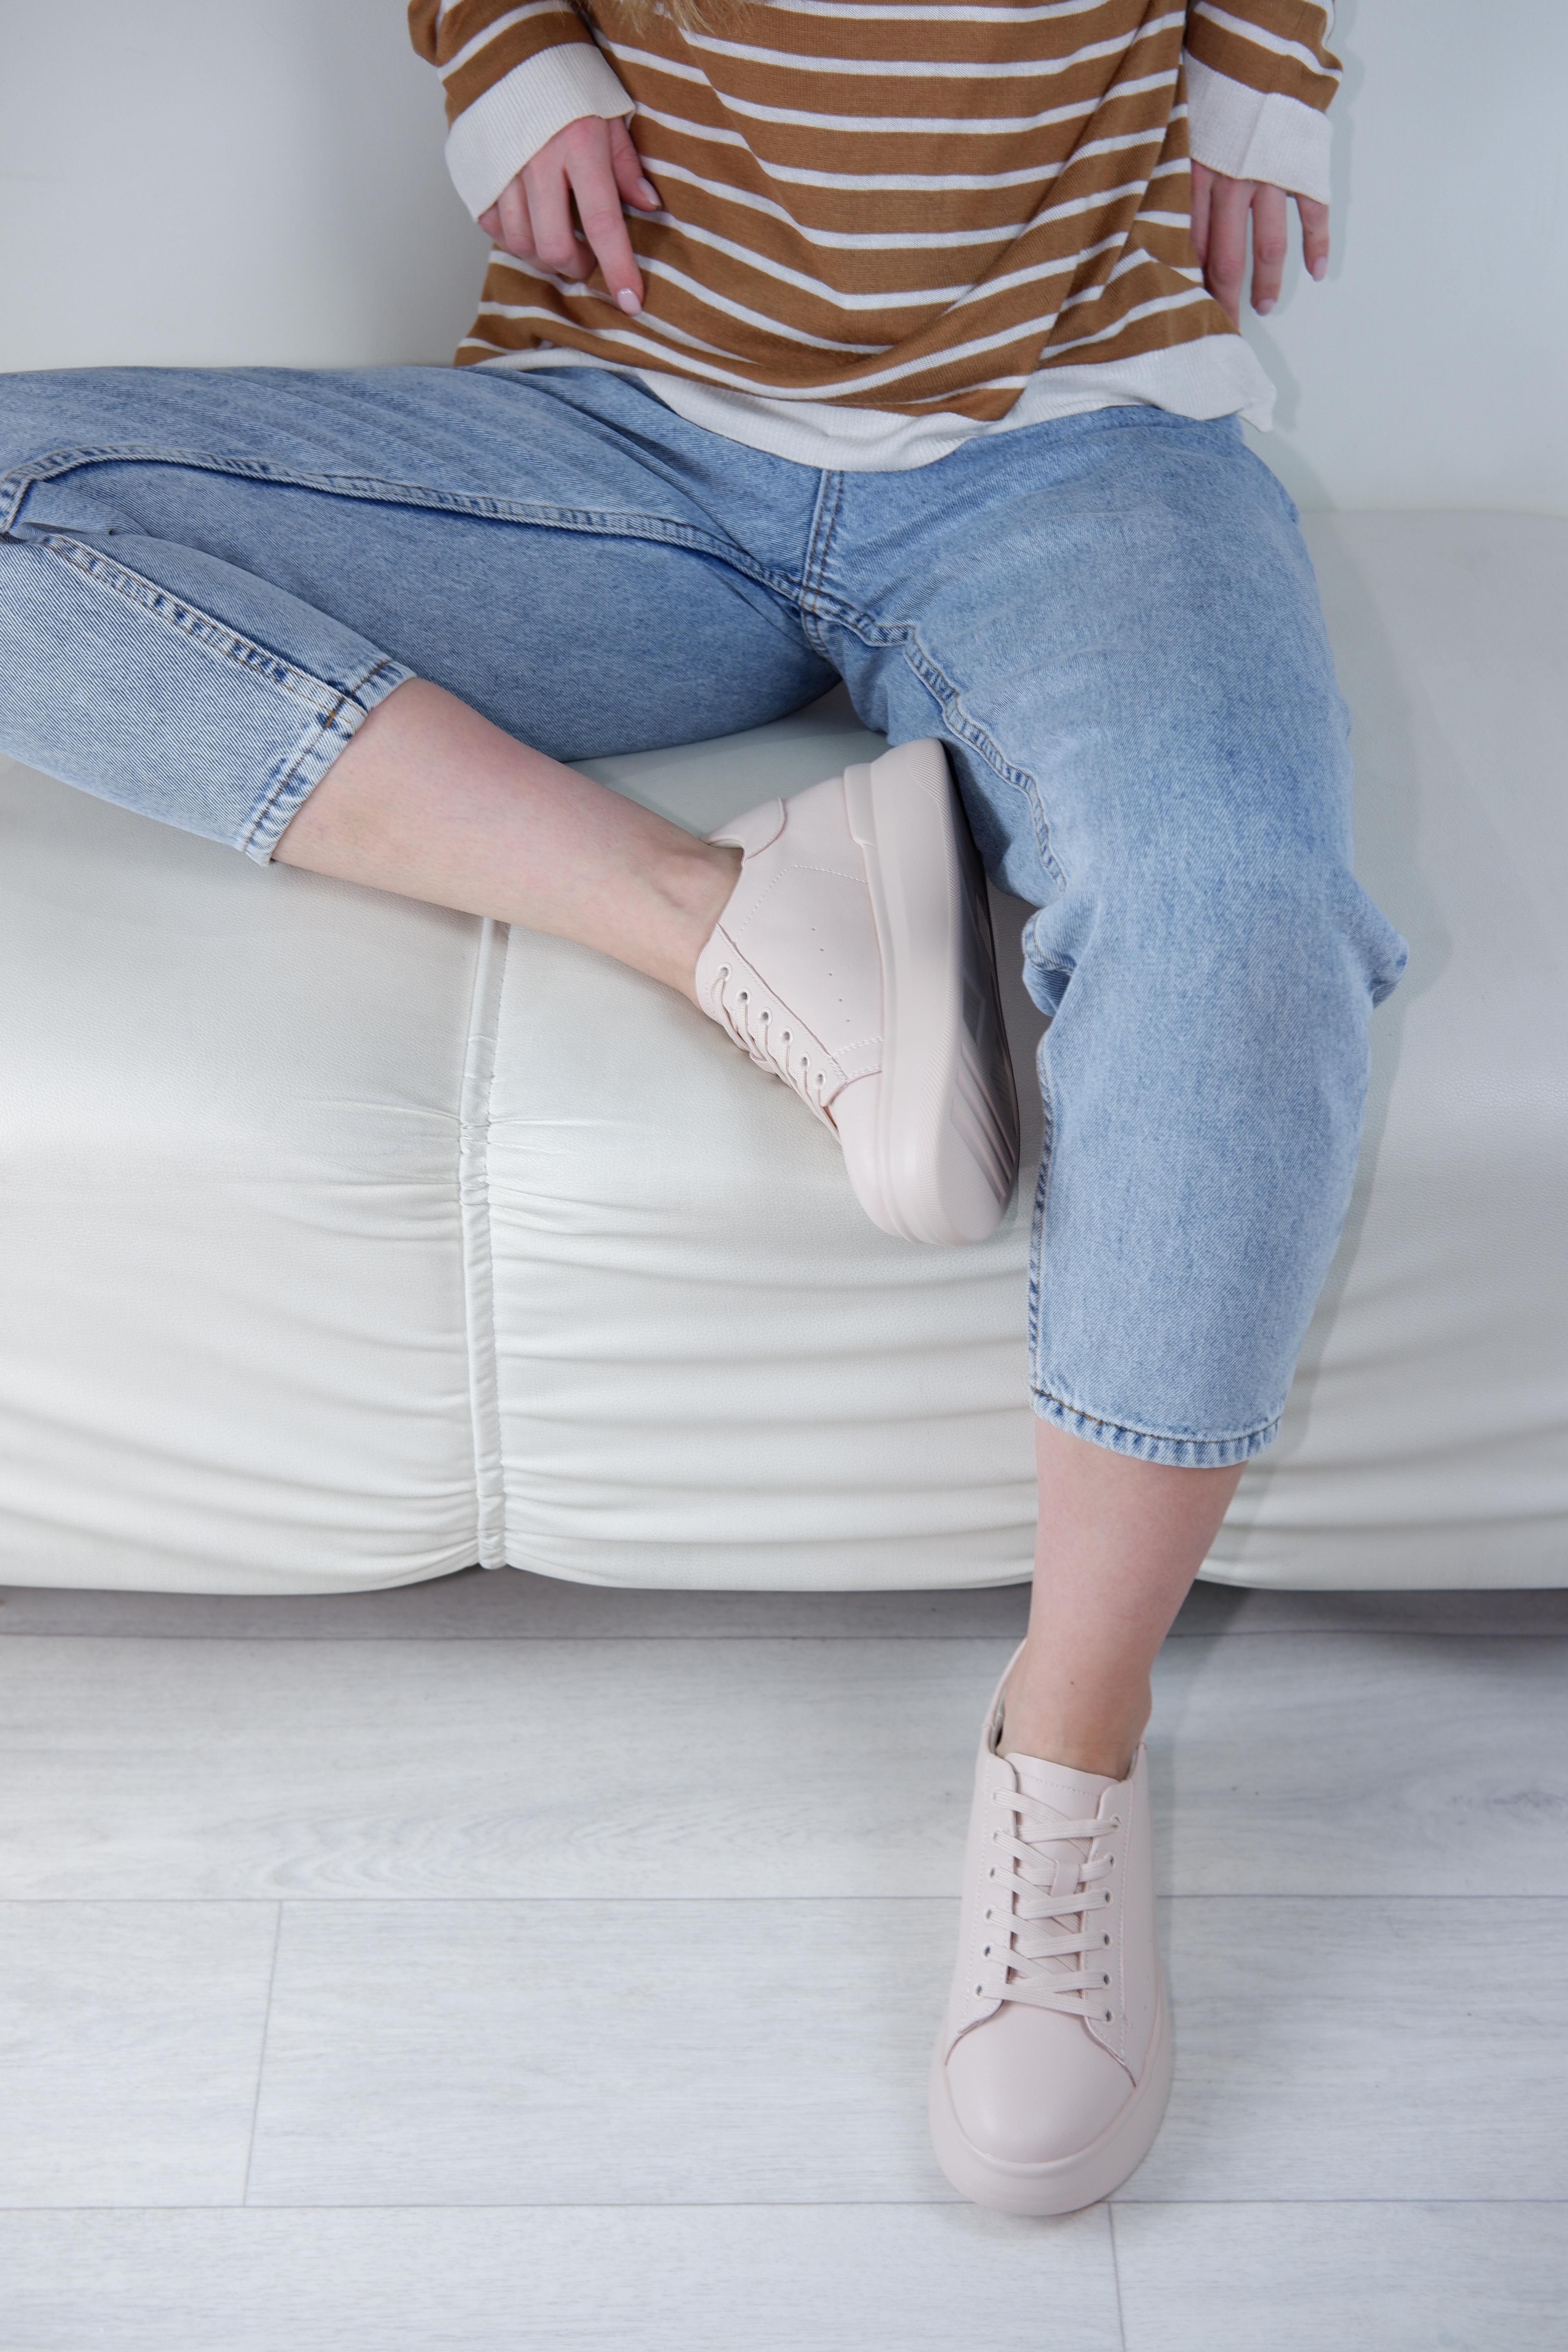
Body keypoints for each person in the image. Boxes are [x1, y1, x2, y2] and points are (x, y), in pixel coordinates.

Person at [0, 0, 1404, 2213]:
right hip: (622, 441)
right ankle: (714, 918)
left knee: (1235, 905)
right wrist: (497, 50)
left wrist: (1273, 51)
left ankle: (1070, 1752)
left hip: (1079, 456)